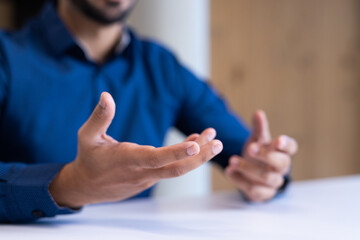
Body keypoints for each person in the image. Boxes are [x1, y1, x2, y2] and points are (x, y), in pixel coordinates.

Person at [0, 0, 298, 223]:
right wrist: (67, 185)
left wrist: (267, 171)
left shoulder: (160, 65)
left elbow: (244, 150)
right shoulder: (6, 57)